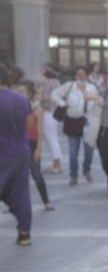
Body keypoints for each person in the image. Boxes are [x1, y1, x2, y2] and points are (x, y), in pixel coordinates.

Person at [51, 65, 100, 185]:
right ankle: (73, 175)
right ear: (75, 76)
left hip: (87, 121)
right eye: (79, 74)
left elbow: (97, 102)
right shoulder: (69, 86)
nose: (81, 77)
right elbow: (54, 94)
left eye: (83, 74)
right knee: (73, 151)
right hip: (72, 120)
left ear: (87, 76)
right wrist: (63, 103)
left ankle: (86, 170)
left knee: (89, 149)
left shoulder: (92, 88)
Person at [0, 65, 32, 246]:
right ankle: (24, 233)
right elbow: (30, 125)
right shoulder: (21, 99)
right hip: (19, 151)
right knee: (20, 192)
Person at [15, 81, 54, 212]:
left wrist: (38, 149)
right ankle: (15, 204)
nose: (18, 94)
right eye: (17, 92)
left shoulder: (37, 110)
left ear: (30, 94)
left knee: (37, 175)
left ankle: (46, 201)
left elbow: (40, 131)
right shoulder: (14, 107)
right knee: (18, 177)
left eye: (22, 92)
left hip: (31, 144)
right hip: (17, 145)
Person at [40, 65, 63, 174]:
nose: (41, 70)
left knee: (51, 138)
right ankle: (56, 164)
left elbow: (55, 96)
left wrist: (41, 98)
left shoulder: (52, 81)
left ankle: (57, 165)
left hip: (50, 112)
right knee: (50, 138)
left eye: (43, 68)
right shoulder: (53, 81)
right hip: (50, 112)